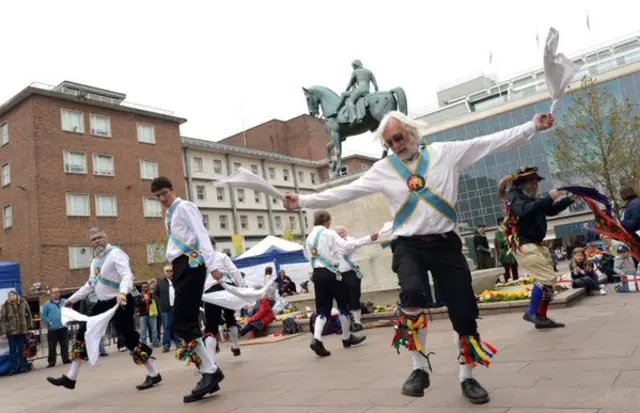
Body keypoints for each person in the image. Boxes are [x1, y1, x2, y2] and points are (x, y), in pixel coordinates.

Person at [284, 110, 556, 404]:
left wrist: (532, 126)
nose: (396, 145)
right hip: (408, 245)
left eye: (398, 137)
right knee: (412, 295)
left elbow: (489, 142)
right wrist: (304, 201)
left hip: (445, 244)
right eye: (389, 142)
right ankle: (419, 369)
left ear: (412, 132)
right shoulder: (384, 169)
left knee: (464, 312)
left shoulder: (445, 153)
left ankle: (467, 376)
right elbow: (346, 193)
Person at [46, 227, 161, 391]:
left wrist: (122, 292)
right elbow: (90, 285)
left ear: (106, 237)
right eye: (93, 239)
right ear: (90, 244)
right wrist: (72, 299)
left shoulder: (116, 254)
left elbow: (127, 276)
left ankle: (153, 373)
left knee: (129, 338)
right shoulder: (94, 262)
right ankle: (71, 377)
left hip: (120, 301)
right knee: (83, 333)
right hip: (102, 303)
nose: (97, 241)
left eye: (99, 237)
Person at [150, 176, 224, 403]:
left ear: (172, 189)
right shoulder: (170, 214)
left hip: (192, 264)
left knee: (183, 321)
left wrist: (213, 265)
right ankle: (210, 371)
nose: (162, 198)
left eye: (164, 193)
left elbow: (201, 235)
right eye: (157, 196)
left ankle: (210, 371)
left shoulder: (185, 207)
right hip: (180, 266)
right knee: (185, 321)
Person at [499, 166, 576, 330]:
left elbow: (550, 209)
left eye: (536, 181)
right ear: (523, 182)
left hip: (536, 244)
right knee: (546, 279)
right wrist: (547, 197)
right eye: (532, 181)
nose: (535, 184)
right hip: (525, 244)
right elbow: (523, 211)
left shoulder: (532, 199)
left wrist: (569, 199)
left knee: (549, 282)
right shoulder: (514, 196)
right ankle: (532, 312)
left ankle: (542, 317)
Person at [304, 210, 373, 357]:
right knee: (344, 306)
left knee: (323, 310)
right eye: (330, 221)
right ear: (326, 221)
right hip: (333, 274)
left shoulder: (309, 237)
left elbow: (307, 256)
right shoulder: (329, 233)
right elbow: (346, 247)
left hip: (317, 274)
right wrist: (367, 239)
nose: (330, 223)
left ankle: (316, 339)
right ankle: (347, 338)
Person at [334, 225, 365, 331]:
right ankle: (347, 323)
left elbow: (346, 250)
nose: (340, 235)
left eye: (342, 232)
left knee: (354, 297)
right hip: (340, 275)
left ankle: (357, 322)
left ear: (345, 232)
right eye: (338, 233)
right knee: (343, 299)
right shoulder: (334, 245)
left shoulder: (351, 241)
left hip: (352, 272)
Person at [0, 290, 33, 375]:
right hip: (11, 332)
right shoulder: (5, 305)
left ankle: (23, 367)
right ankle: (13, 368)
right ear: (8, 297)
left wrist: (29, 327)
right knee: (12, 351)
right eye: (10, 295)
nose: (12, 297)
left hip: (22, 331)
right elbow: (2, 320)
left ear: (16, 295)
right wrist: (3, 332)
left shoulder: (23, 303)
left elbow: (29, 315)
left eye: (13, 295)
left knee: (22, 350)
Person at [41, 287, 71, 368]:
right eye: (54, 292)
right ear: (51, 294)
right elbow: (43, 316)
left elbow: (70, 310)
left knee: (65, 345)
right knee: (52, 346)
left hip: (63, 327)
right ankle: (51, 362)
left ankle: (66, 359)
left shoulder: (65, 301)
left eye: (58, 292)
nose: (56, 294)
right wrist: (49, 322)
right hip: (52, 329)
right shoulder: (47, 304)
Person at [343, 59, 378, 124]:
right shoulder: (369, 72)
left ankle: (353, 117)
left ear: (356, 65)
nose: (353, 68)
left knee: (350, 102)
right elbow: (375, 85)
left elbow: (350, 84)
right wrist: (376, 93)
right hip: (367, 90)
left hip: (360, 89)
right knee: (358, 100)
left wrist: (346, 91)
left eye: (353, 66)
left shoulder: (355, 72)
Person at [155, 265, 181, 352]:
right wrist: (161, 303)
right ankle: (166, 345)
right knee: (166, 326)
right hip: (166, 308)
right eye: (167, 271)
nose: (169, 272)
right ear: (164, 272)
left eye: (170, 270)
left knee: (176, 325)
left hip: (176, 307)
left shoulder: (177, 280)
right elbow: (155, 295)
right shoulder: (160, 282)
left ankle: (179, 343)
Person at [494, 218, 519, 282]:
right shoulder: (498, 232)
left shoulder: (509, 229)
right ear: (500, 223)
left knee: (514, 268)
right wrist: (507, 239)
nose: (506, 223)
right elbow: (500, 242)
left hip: (512, 251)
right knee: (506, 270)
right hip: (505, 253)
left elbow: (514, 238)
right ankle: (508, 282)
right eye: (504, 221)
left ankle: (516, 280)